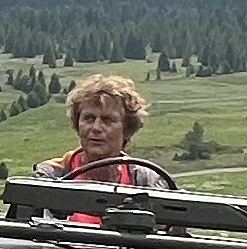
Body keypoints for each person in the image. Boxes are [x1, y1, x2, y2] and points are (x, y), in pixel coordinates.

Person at [44, 72, 178, 192]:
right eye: (89, 118)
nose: (96, 128)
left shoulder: (148, 182)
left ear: (127, 129)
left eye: (107, 120)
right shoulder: (51, 176)